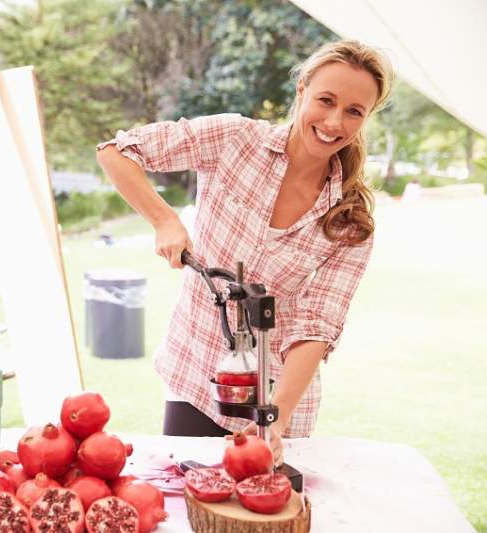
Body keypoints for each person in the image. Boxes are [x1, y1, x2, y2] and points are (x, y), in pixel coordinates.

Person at [96, 40, 394, 465]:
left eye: (353, 111)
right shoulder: (236, 139)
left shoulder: (351, 222)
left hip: (278, 399)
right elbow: (118, 151)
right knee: (188, 512)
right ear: (301, 90)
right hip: (196, 375)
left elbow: (315, 327)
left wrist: (275, 418)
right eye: (325, 100)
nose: (334, 121)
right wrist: (164, 219)